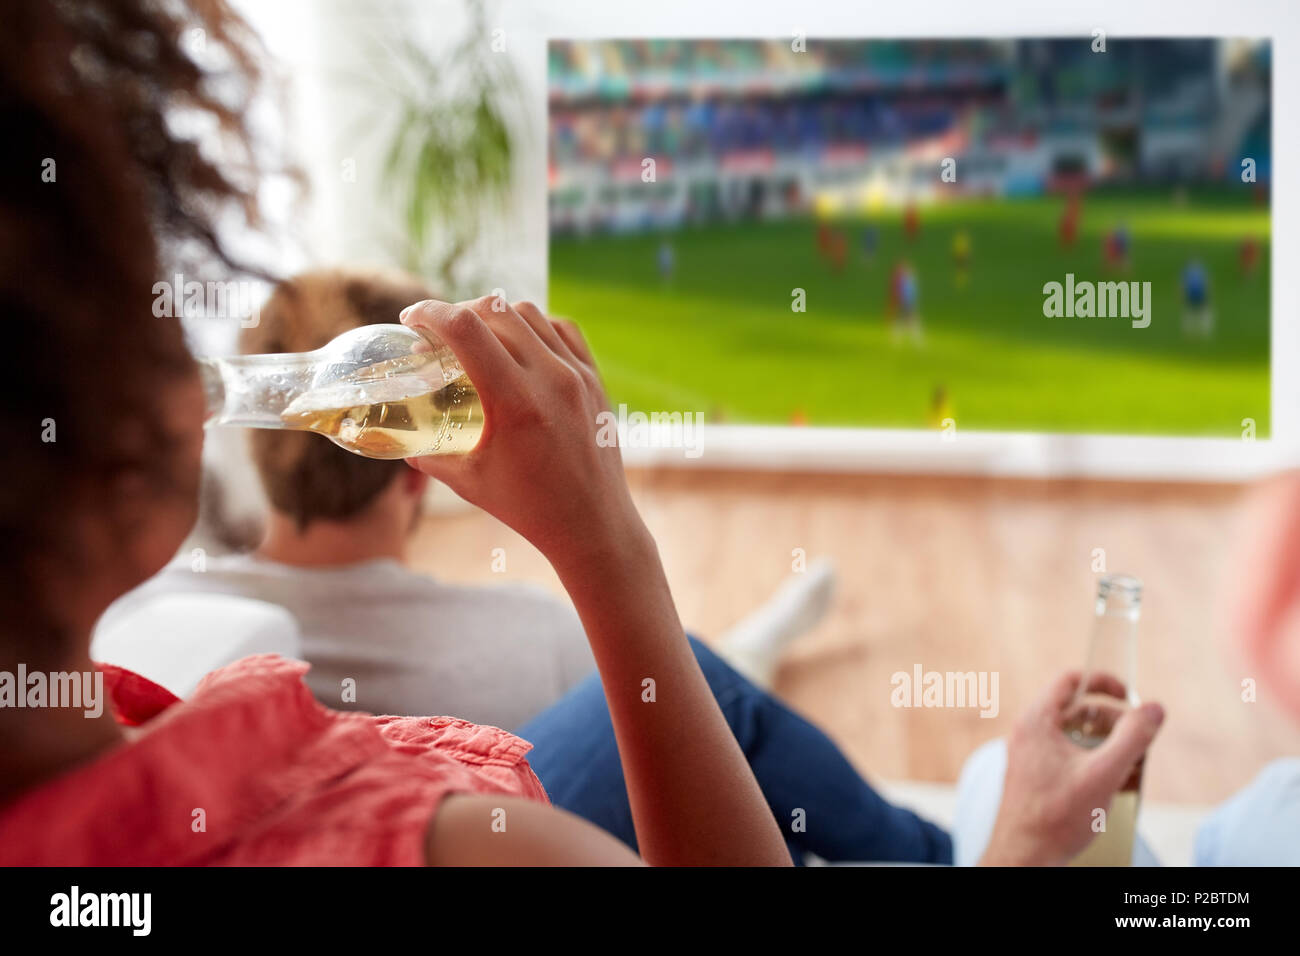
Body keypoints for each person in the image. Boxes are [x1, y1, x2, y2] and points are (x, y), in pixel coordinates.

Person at [0, 0, 1157, 869]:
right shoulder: (449, 846)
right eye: (148, 273)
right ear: (101, 449)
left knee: (697, 687)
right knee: (710, 690)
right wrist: (607, 544)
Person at [106, 267, 953, 865]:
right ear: (419, 467)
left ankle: (760, 643)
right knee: (709, 685)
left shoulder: (169, 607)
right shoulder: (526, 640)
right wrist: (609, 549)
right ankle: (949, 858)